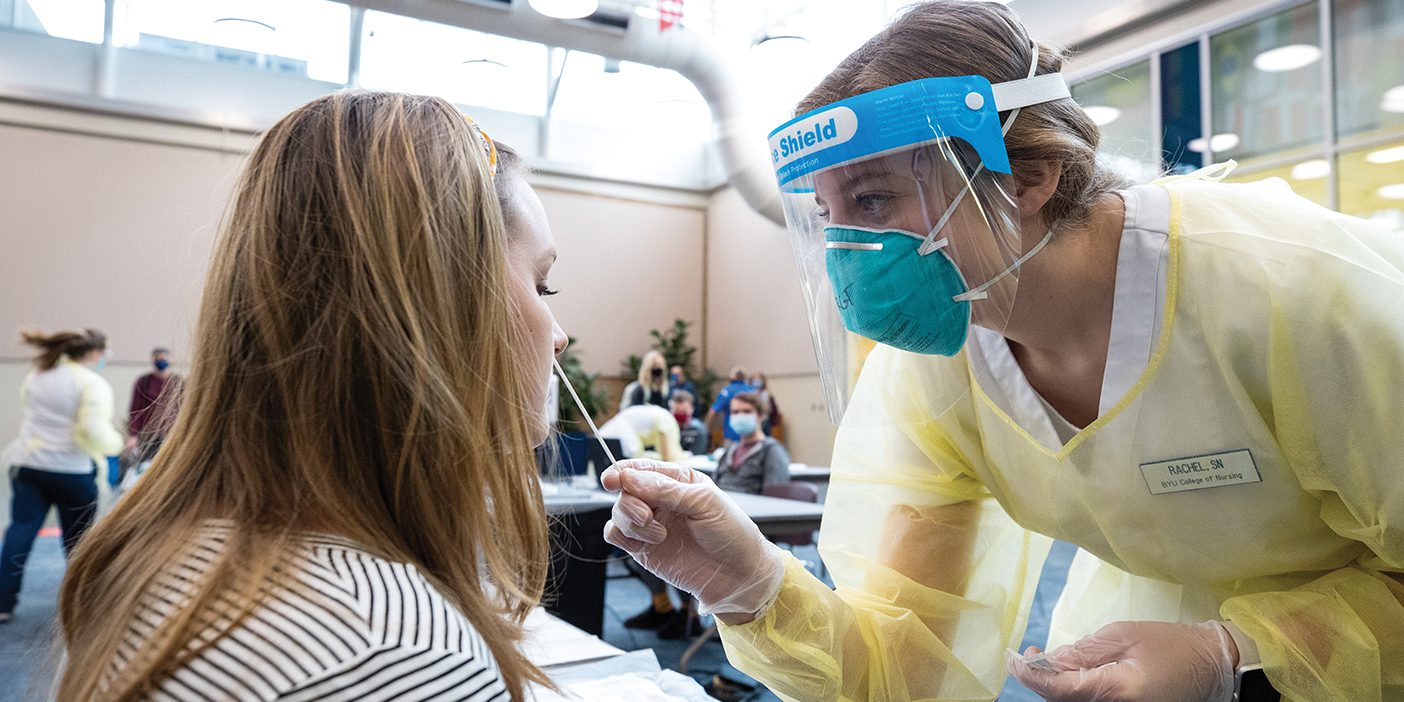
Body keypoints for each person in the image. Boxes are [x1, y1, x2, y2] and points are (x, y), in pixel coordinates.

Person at [602, 3, 1404, 701]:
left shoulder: (1290, 294)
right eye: (830, 212)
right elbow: (907, 666)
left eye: (876, 198)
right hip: (1150, 649)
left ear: (1029, 177)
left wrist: (1236, 652)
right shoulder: (942, 357)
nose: (849, 249)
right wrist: (749, 582)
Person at [55, 92, 570, 701]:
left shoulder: (159, 553)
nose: (559, 336)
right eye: (543, 285)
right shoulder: (398, 649)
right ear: (442, 308)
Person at [0, 329, 123, 623]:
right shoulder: (92, 383)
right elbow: (92, 432)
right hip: (72, 471)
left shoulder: (38, 374)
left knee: (20, 531)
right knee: (79, 541)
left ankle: (3, 602)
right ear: (94, 353)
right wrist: (117, 444)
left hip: (28, 465)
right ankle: (84, 604)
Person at [120, 346, 181, 487]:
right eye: (157, 358)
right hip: (148, 434)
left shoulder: (177, 381)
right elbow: (135, 409)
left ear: (170, 359)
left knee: (170, 468)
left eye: (164, 358)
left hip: (172, 434)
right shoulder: (143, 381)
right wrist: (133, 435)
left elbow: (183, 408)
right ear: (152, 360)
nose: (161, 361)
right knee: (146, 470)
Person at [713, 392, 790, 495]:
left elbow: (775, 494)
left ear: (760, 416)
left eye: (747, 411)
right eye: (735, 412)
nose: (740, 416)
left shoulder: (772, 450)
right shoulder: (730, 450)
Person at [598, 403, 685, 463]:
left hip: (608, 432)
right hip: (621, 433)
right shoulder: (669, 422)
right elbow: (667, 456)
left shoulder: (663, 415)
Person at [705, 367, 755, 443]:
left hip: (731, 433)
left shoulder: (727, 391)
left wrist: (706, 427)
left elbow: (713, 411)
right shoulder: (751, 390)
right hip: (751, 433)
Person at [670, 390, 709, 456]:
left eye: (684, 411)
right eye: (677, 411)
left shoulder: (698, 430)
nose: (680, 413)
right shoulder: (667, 428)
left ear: (692, 409)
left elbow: (697, 453)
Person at [747, 372, 783, 437]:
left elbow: (769, 409)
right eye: (755, 380)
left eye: (759, 380)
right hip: (753, 421)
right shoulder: (749, 394)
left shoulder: (766, 394)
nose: (757, 382)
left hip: (765, 421)